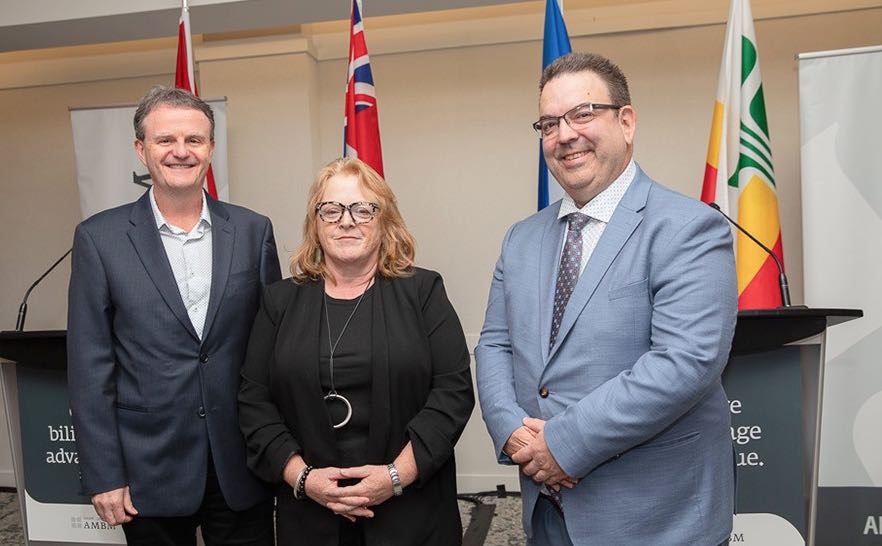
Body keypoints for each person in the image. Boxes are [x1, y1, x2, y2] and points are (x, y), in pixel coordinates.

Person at [475, 52, 737, 546]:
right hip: (546, 512)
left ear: (626, 121)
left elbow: (685, 362)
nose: (565, 134)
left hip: (657, 518)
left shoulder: (689, 228)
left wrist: (564, 443)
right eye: (549, 123)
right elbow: (494, 344)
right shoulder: (520, 239)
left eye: (582, 114)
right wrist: (512, 432)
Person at [67, 86, 281, 545]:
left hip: (242, 462)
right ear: (141, 149)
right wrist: (103, 472)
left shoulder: (252, 231)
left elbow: (272, 349)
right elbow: (90, 367)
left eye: (194, 140)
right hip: (149, 468)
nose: (180, 152)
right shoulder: (99, 239)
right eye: (165, 140)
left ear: (211, 149)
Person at [238, 157, 474, 546]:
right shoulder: (279, 301)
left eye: (363, 209)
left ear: (385, 221)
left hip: (412, 511)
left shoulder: (423, 292)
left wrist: (395, 477)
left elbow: (453, 393)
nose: (346, 221)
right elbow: (253, 400)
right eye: (331, 210)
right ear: (316, 223)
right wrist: (303, 478)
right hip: (309, 513)